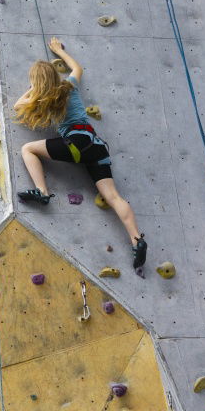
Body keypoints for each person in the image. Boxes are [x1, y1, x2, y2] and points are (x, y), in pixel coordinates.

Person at [12, 37, 147, 268]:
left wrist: (34, 88)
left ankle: (42, 192)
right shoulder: (68, 86)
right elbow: (77, 68)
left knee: (27, 149)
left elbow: (17, 105)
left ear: (37, 82)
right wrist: (58, 51)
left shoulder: (42, 98)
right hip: (96, 145)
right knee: (113, 197)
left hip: (75, 144)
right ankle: (137, 240)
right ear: (55, 76)